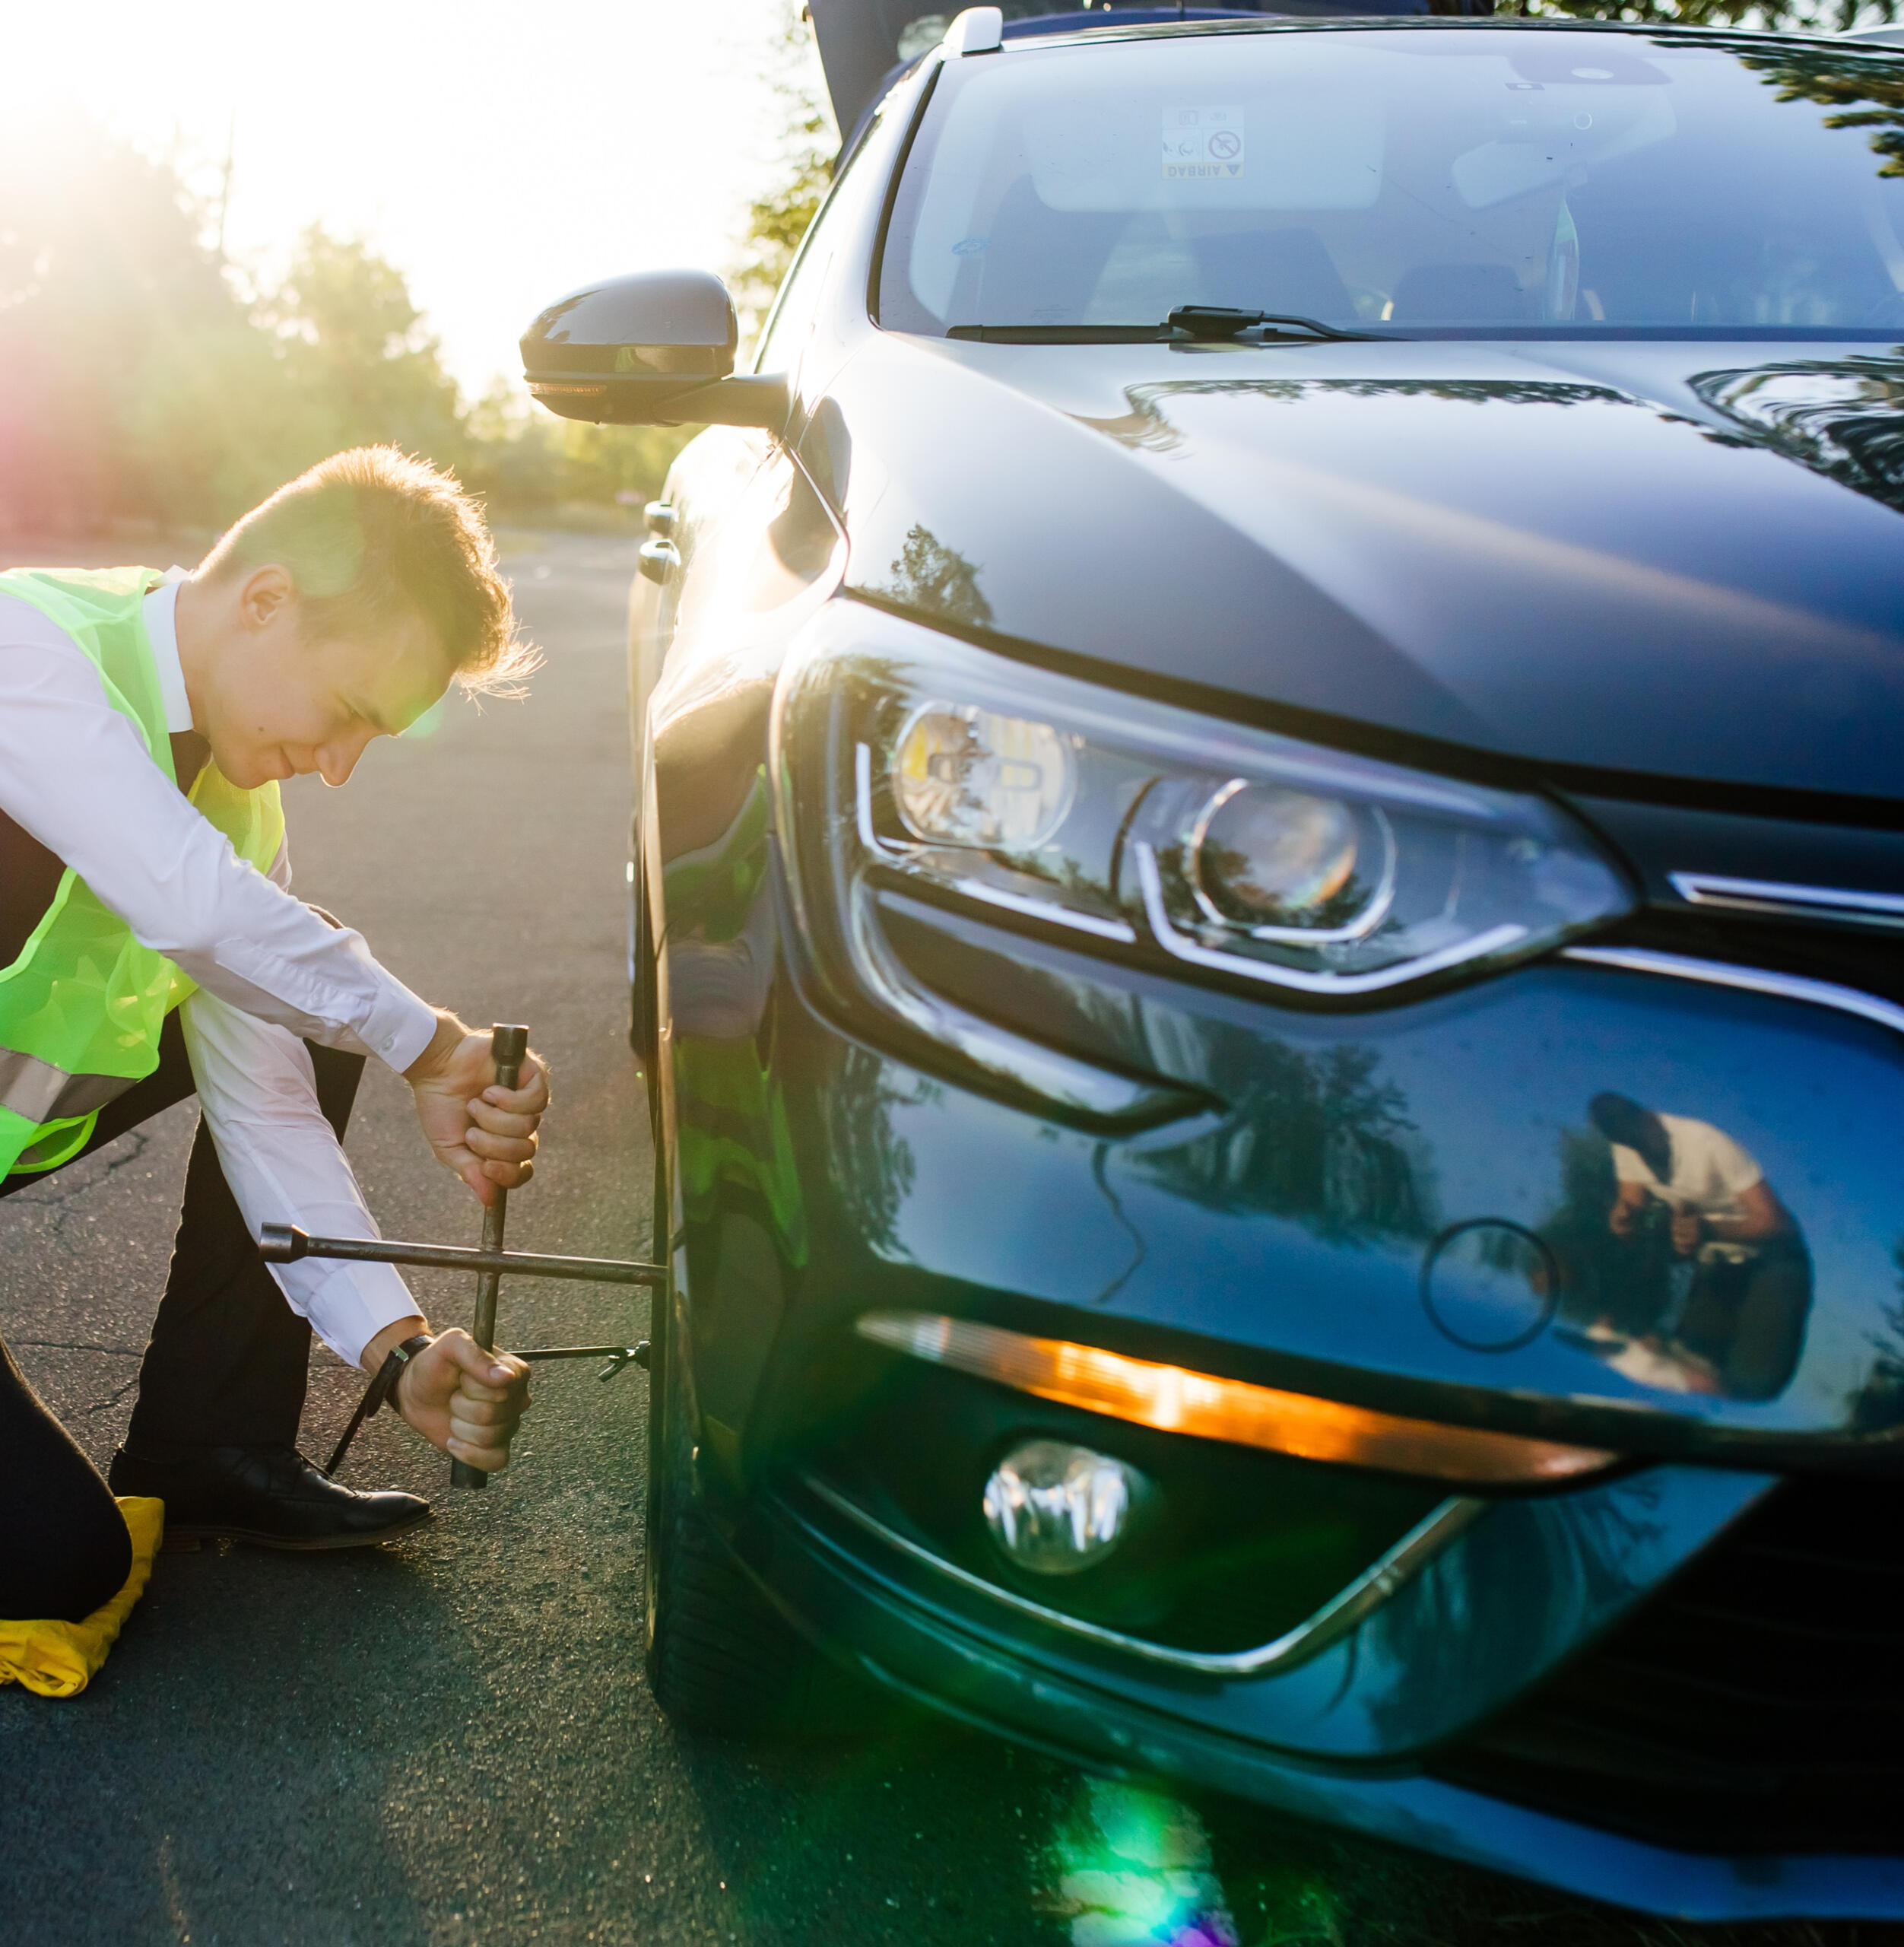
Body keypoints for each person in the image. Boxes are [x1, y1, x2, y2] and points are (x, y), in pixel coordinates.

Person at [0, 448, 550, 1629]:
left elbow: (269, 1109)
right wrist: (432, 1045)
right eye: (349, 714)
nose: (340, 768)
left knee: (303, 986)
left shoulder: (240, 809)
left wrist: (399, 1354)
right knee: (60, 1574)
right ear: (265, 600)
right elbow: (186, 901)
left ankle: (209, 1452)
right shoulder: (23, 646)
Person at [1587, 1092, 1811, 1402]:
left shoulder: (1707, 1143)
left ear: (1650, 1119)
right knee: (1691, 1361)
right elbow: (1632, 1201)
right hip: (1718, 1262)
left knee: (1753, 1385)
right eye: (1630, 1146)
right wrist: (1623, 1217)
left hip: (1775, 1262)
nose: (1642, 1153)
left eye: (1642, 1141)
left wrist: (1707, 1228)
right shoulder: (1626, 1142)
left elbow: (1777, 1224)